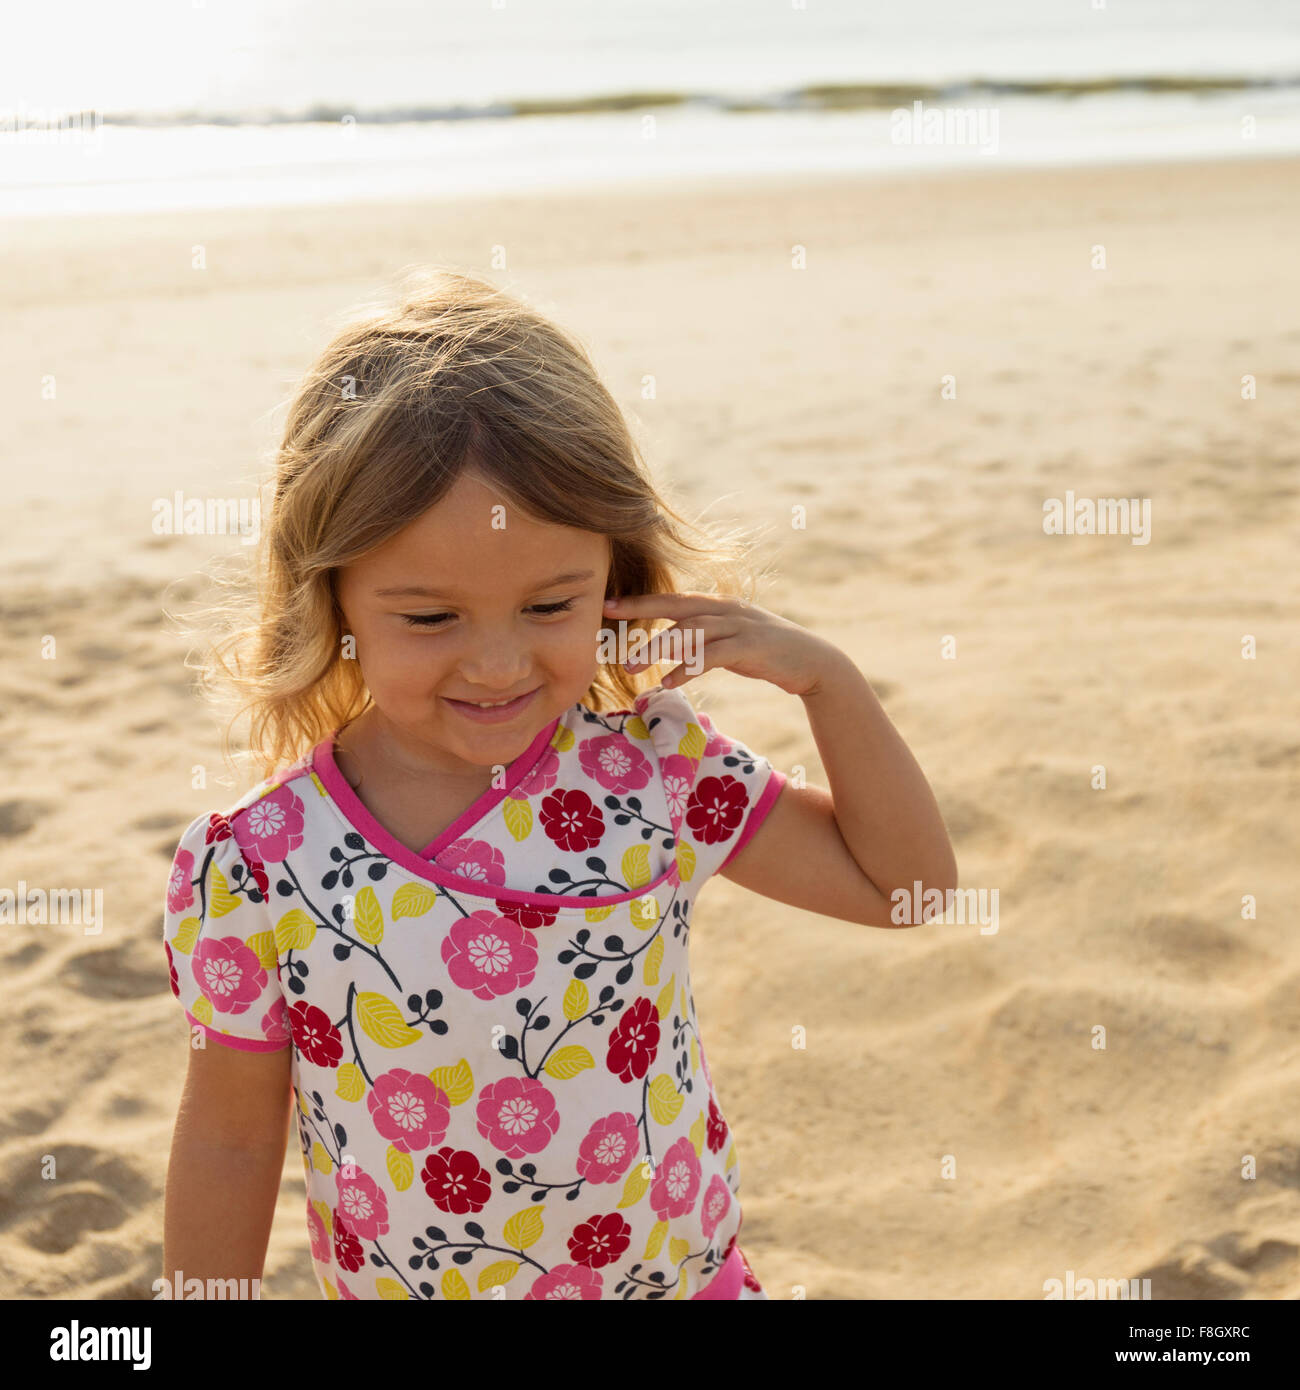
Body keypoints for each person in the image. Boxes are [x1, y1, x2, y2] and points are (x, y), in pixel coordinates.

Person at [160, 267, 957, 1301]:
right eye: (431, 618)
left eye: (549, 606)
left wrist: (828, 682)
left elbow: (912, 893)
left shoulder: (654, 771)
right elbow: (228, 1140)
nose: (497, 665)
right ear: (333, 599)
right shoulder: (258, 863)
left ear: (615, 581)